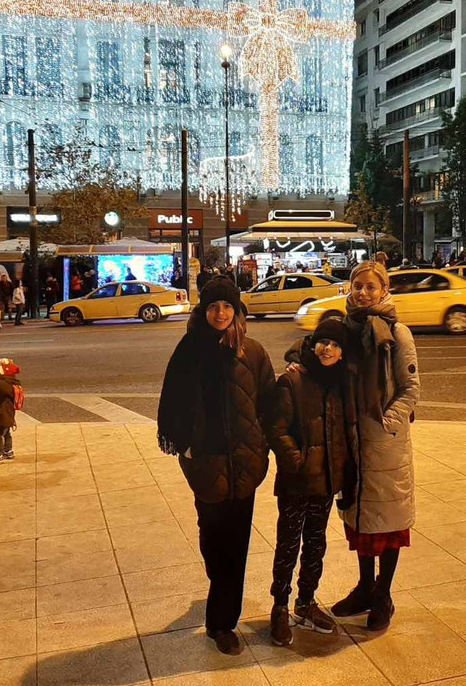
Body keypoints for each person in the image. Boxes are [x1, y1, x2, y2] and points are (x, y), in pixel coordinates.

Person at [157, 278, 277, 656]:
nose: (220, 314)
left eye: (227, 307)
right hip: (206, 461)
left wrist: (264, 444)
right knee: (213, 538)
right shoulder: (189, 350)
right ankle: (218, 587)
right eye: (213, 307)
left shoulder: (253, 352)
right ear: (202, 312)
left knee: (236, 545)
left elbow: (270, 404)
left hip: (244, 462)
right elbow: (172, 401)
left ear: (237, 312)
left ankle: (222, 622)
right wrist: (186, 446)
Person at [331, 261, 420, 632]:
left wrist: (386, 422)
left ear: (385, 291)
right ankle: (365, 586)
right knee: (362, 520)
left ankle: (383, 595)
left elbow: (411, 389)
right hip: (352, 439)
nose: (363, 293)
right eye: (357, 286)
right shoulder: (344, 331)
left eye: (371, 287)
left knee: (388, 522)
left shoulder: (398, 334)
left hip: (385, 444)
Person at [266, 318, 351, 647]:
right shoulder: (293, 380)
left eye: (335, 345)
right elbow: (276, 429)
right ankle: (279, 606)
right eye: (323, 342)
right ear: (313, 345)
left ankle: (306, 602)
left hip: (327, 480)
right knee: (288, 544)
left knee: (316, 543)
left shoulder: (342, 383)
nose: (327, 349)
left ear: (342, 353)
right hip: (297, 481)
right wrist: (296, 462)